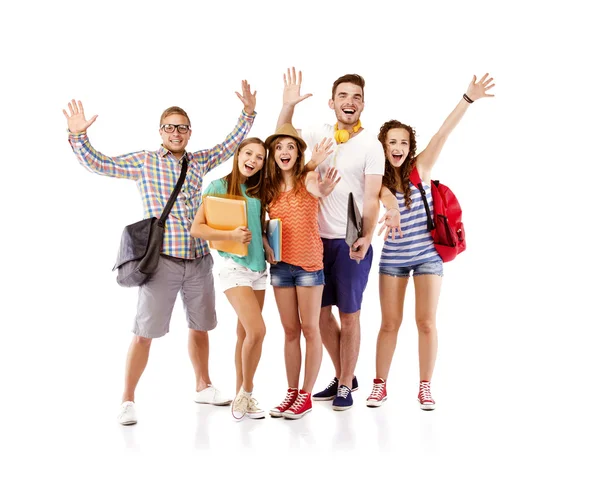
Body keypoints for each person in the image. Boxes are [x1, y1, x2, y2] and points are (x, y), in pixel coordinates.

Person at [63, 81, 257, 425]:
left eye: (182, 127)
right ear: (161, 131)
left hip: (198, 258)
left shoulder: (198, 161)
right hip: (162, 262)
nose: (176, 132)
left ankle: (203, 385)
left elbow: (230, 146)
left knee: (201, 327)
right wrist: (78, 136)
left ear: (189, 132)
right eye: (170, 127)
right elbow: (100, 164)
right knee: (145, 332)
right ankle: (127, 399)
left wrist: (247, 113)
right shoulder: (145, 162)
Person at [366, 74, 495, 410]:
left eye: (404, 143)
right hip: (393, 258)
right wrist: (391, 206)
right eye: (392, 142)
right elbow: (383, 194)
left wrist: (467, 98)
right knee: (389, 323)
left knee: (425, 322)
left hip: (426, 256)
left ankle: (425, 386)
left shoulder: (420, 168)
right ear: (383, 146)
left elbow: (442, 132)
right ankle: (379, 385)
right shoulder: (376, 178)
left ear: (410, 148)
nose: (397, 148)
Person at [276, 68, 385, 411]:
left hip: (349, 242)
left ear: (363, 105)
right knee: (321, 316)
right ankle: (344, 377)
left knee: (349, 314)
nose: (349, 102)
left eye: (356, 97)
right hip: (311, 242)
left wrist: (366, 237)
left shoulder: (371, 145)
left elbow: (371, 197)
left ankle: (344, 384)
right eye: (343, 96)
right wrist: (287, 106)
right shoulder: (317, 133)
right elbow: (280, 140)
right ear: (331, 103)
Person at [261, 123, 340, 420]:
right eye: (279, 147)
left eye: (291, 147)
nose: (284, 152)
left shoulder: (308, 176)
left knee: (310, 329)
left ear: (298, 153)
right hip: (281, 267)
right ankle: (291, 392)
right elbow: (264, 225)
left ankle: (305, 394)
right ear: (273, 154)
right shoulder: (268, 188)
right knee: (290, 331)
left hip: (309, 266)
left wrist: (324, 187)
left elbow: (315, 188)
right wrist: (268, 245)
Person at [190, 137, 268, 421]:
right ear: (238, 155)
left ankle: (240, 395)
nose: (253, 160)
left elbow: (258, 227)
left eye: (259, 157)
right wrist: (230, 236)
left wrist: (267, 244)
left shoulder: (259, 189)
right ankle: (247, 393)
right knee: (258, 331)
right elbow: (197, 228)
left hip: (260, 270)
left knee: (245, 334)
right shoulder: (218, 187)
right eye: (248, 153)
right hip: (234, 267)